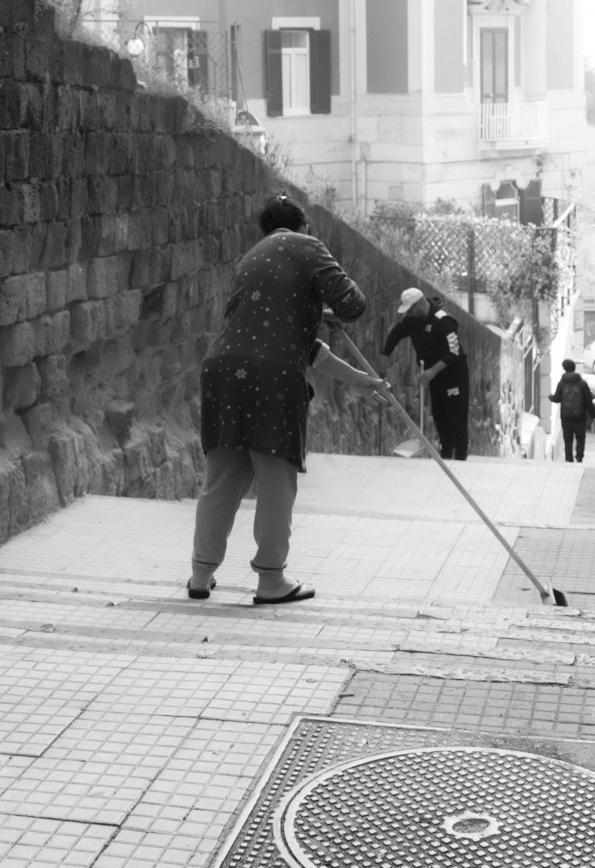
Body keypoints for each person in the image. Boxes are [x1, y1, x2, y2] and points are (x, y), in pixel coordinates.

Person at [188, 193, 387, 606]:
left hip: (223, 370)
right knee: (276, 479)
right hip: (272, 381)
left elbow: (292, 340)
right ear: (304, 226)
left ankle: (200, 575)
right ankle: (271, 580)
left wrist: (358, 378)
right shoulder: (306, 245)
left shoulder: (250, 260)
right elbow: (353, 305)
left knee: (222, 479)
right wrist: (325, 301)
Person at [382, 288, 470, 460]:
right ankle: (445, 453)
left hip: (453, 374)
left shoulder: (442, 321)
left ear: (421, 303)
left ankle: (460, 456)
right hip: (434, 376)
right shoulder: (413, 320)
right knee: (439, 414)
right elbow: (396, 333)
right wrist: (385, 355)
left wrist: (431, 372)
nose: (410, 314)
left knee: (456, 414)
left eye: (412, 310)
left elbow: (453, 351)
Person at [549, 359, 595, 464]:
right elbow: (588, 400)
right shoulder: (582, 383)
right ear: (574, 368)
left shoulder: (561, 383)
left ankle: (569, 459)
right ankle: (579, 457)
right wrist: (593, 414)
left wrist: (550, 397)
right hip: (580, 417)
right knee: (580, 437)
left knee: (568, 438)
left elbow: (556, 398)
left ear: (564, 369)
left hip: (566, 417)